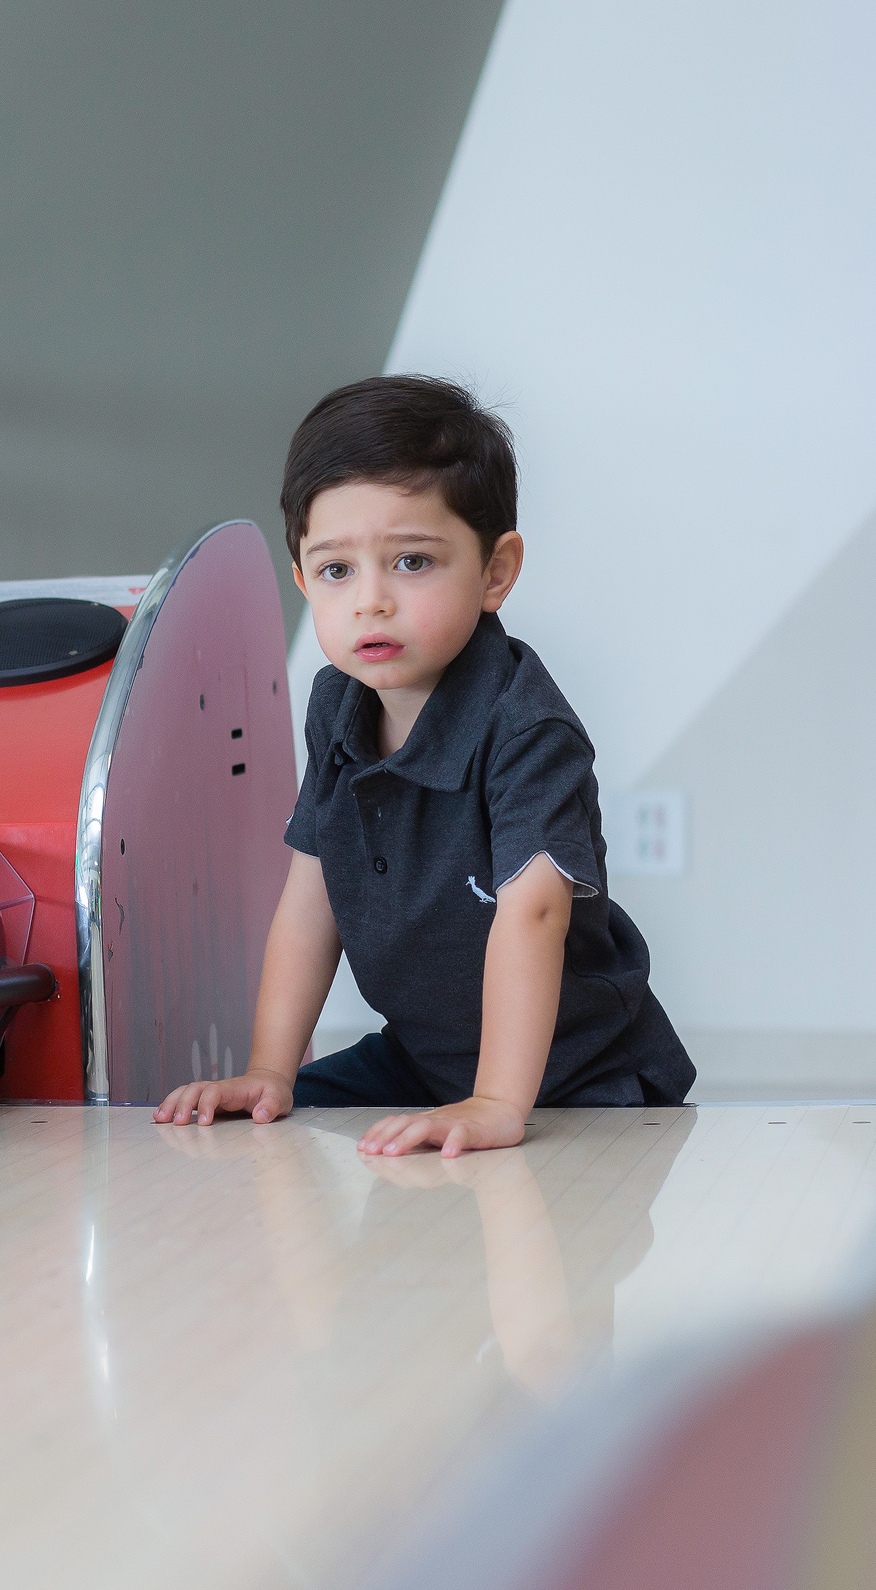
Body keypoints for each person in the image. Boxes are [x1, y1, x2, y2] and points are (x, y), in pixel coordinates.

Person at [155, 376, 695, 1156]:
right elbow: (313, 894)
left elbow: (536, 911)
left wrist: (497, 1103)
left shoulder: (526, 725)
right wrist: (271, 1068)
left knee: (545, 1216)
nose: (371, 601)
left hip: (580, 1076)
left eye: (411, 562)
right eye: (338, 571)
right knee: (271, 1132)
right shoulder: (336, 705)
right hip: (424, 1060)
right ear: (304, 582)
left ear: (495, 572)